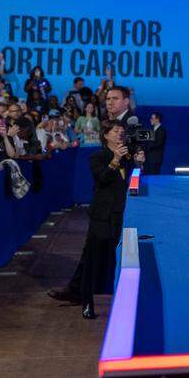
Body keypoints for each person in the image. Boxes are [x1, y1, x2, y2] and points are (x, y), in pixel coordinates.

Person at [47, 119, 143, 318]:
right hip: (102, 215)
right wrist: (115, 160)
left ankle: (114, 299)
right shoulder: (98, 156)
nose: (120, 134)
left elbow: (133, 183)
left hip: (120, 214)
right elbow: (103, 179)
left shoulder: (127, 157)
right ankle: (87, 302)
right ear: (106, 135)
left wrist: (138, 164)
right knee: (93, 259)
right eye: (116, 131)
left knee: (115, 258)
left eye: (122, 131)